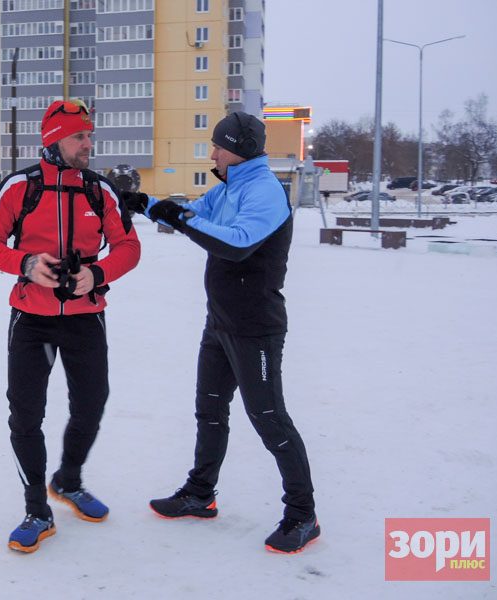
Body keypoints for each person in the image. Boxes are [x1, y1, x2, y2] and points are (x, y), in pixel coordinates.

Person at [123, 111, 319, 554]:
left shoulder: (265, 191)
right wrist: (142, 202)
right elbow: (191, 213)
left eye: (218, 146)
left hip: (256, 329)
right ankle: (199, 494)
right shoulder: (229, 186)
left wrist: (181, 219)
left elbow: (235, 243)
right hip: (220, 323)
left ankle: (303, 515)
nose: (213, 153)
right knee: (209, 411)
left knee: (269, 419)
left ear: (239, 149)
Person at [0, 100, 141, 553]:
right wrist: (25, 262)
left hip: (86, 316)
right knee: (26, 415)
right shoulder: (19, 187)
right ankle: (36, 509)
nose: (88, 144)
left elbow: (129, 246)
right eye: (79, 137)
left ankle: (68, 480)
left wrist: (98, 273)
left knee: (92, 405)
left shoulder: (99, 190)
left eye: (89, 135)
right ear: (54, 141)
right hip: (32, 318)